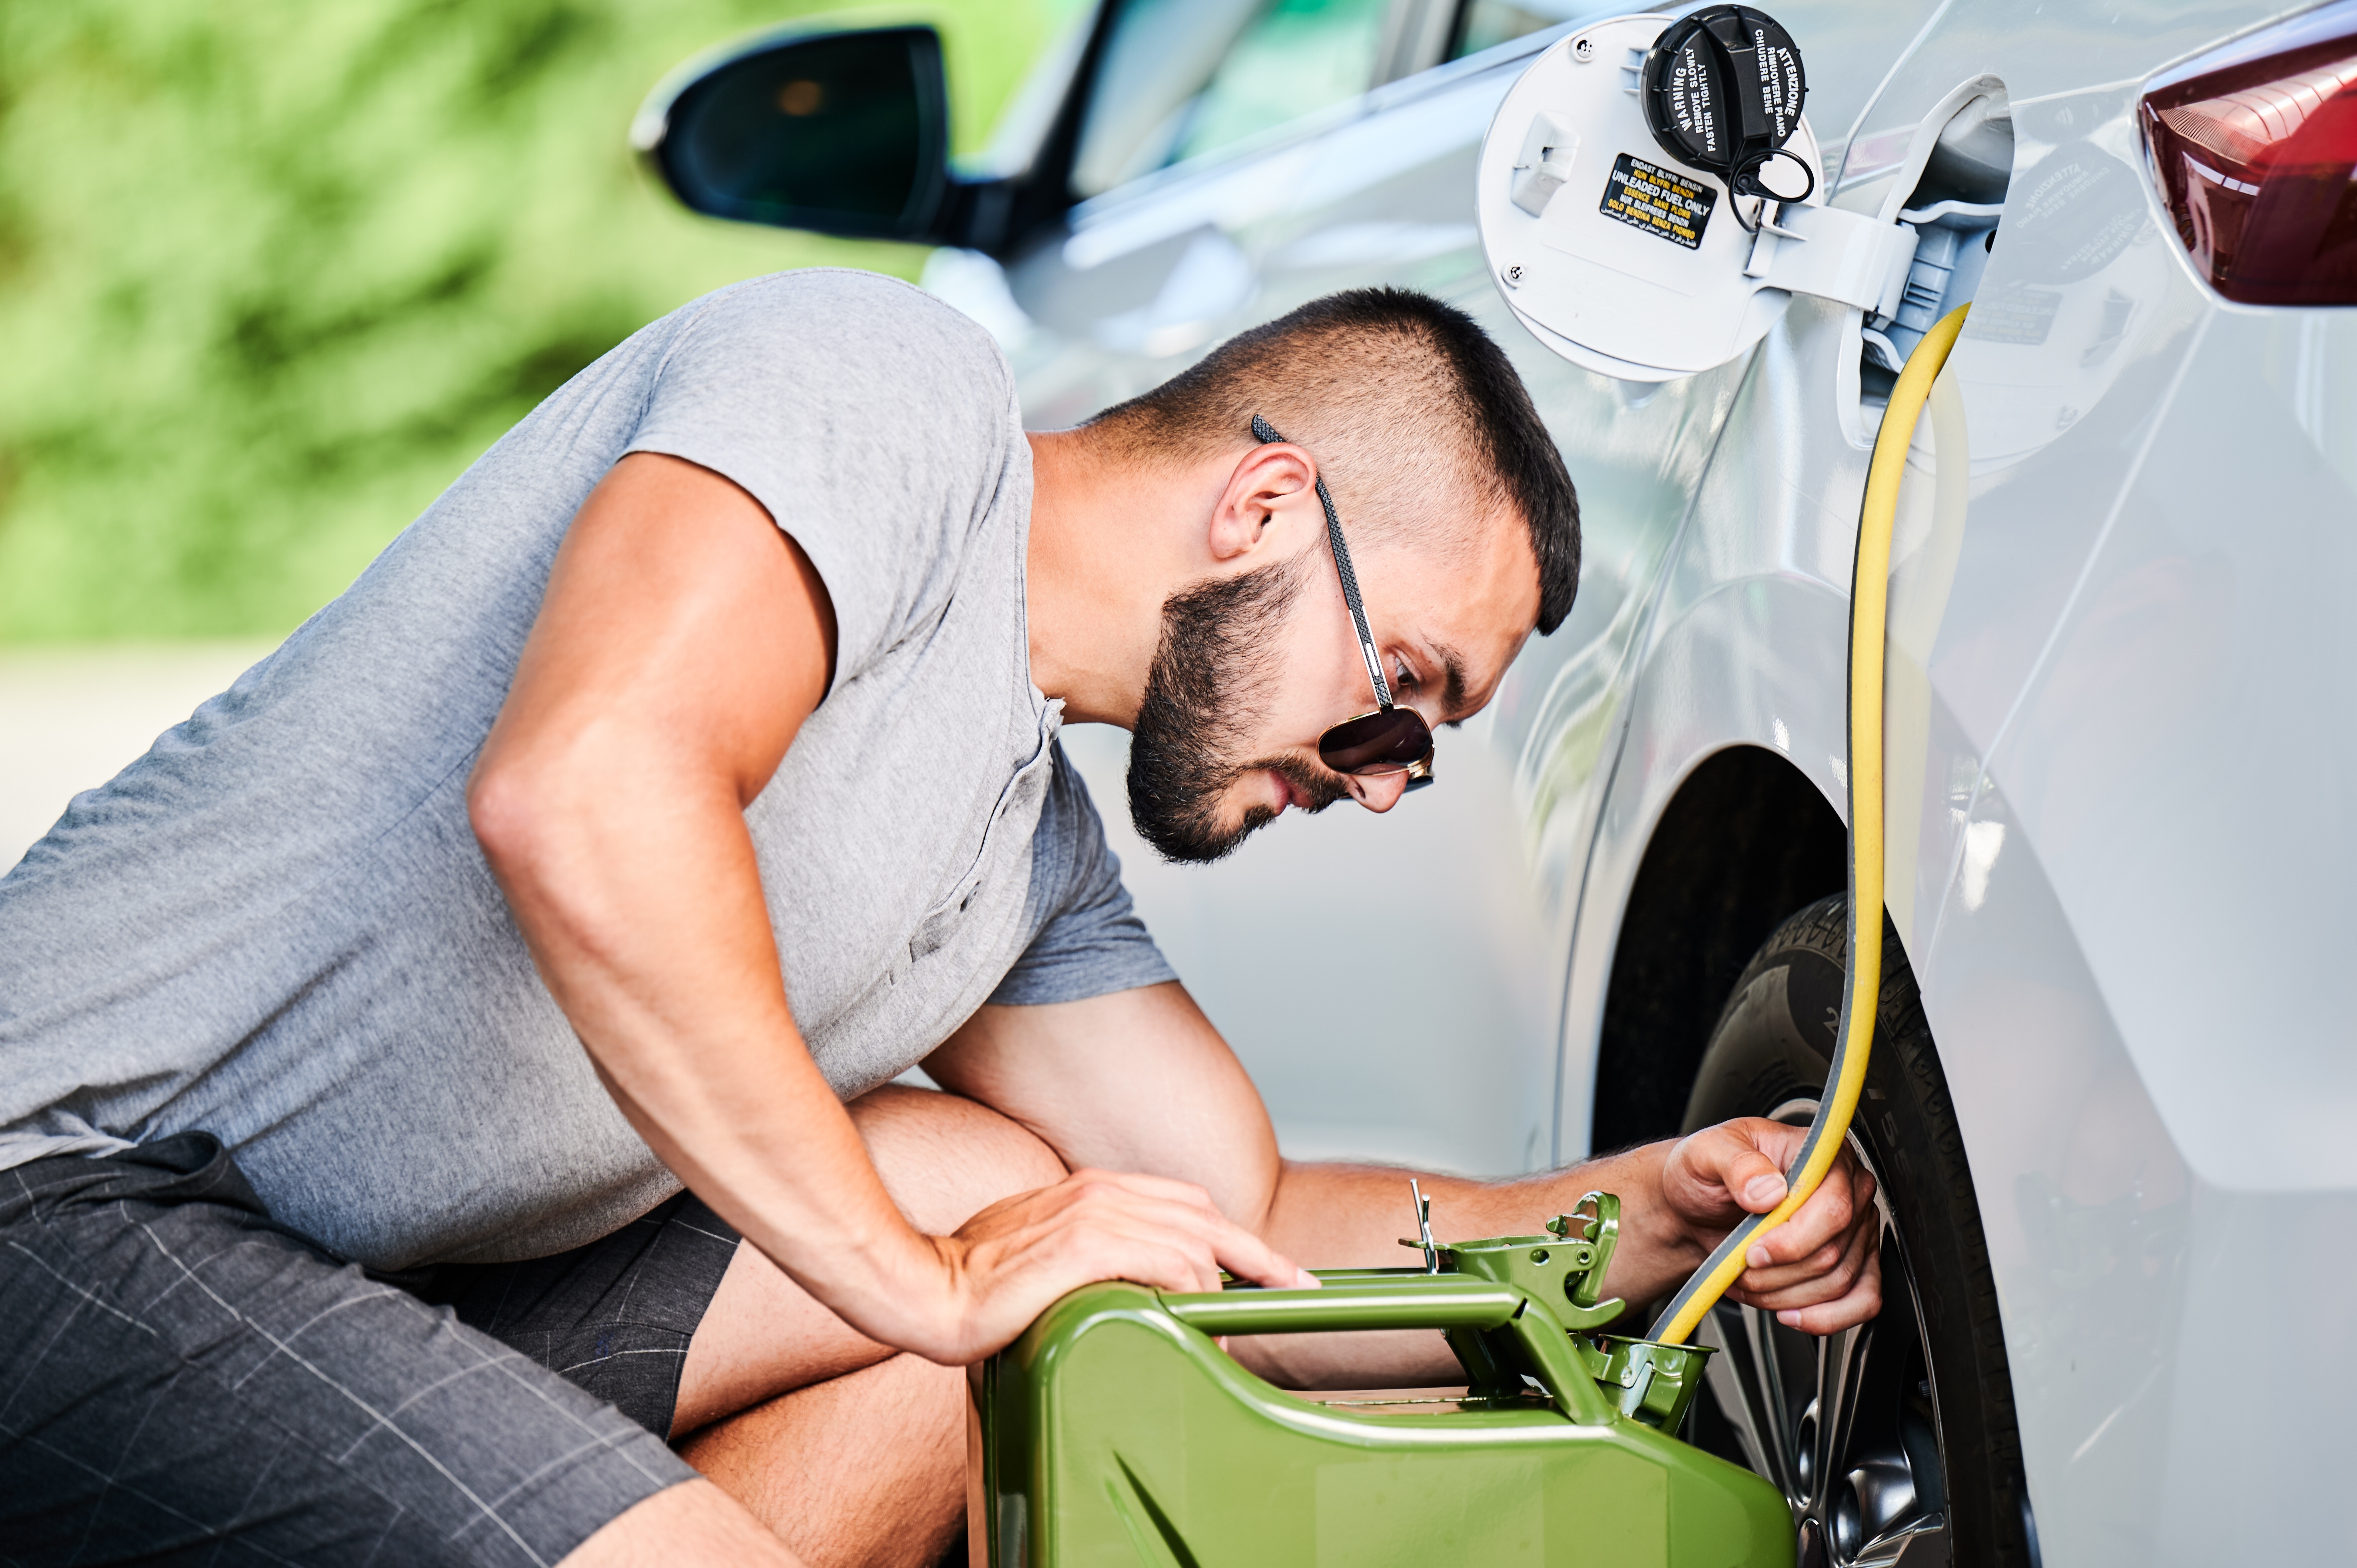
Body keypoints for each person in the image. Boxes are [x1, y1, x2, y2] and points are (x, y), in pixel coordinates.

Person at [0, 272, 1879, 1568]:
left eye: (1424, 753)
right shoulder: (881, 386)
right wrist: (921, 1278)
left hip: (348, 1268)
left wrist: (1650, 1208)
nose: (1379, 776)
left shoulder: (1015, 852)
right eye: (1399, 690)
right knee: (945, 1270)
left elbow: (1225, 1236)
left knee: (1032, 1252)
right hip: (59, 1190)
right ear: (1265, 504)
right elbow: (584, 791)